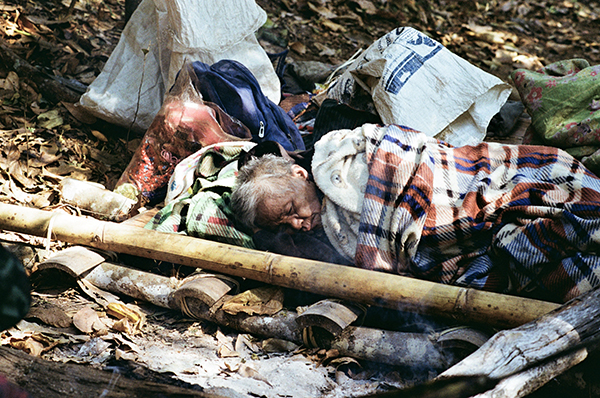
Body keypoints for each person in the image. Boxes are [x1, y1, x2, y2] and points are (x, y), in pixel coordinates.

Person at [231, 123, 600, 304]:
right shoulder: (319, 235)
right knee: (537, 261)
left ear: (299, 174)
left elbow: (413, 154)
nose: (298, 223)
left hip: (463, 184)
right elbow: (380, 262)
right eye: (286, 224)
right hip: (464, 254)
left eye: (292, 209)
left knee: (546, 198)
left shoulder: (343, 151)